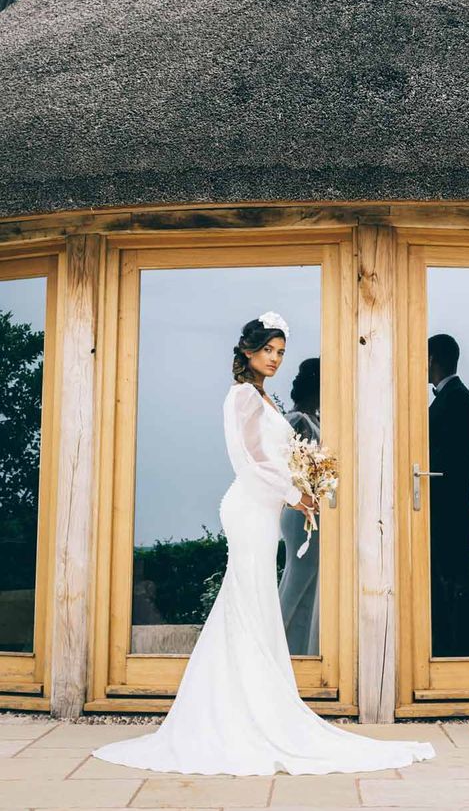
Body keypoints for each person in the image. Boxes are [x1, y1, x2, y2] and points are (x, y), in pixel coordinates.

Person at [93, 312, 434, 775]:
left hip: (262, 509)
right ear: (248, 351)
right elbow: (249, 460)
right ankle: (244, 711)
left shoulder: (262, 397)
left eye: (280, 352)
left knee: (249, 605)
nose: (273, 359)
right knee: (249, 602)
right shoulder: (241, 397)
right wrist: (297, 495)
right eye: (267, 350)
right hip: (249, 510)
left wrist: (303, 482)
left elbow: (275, 457)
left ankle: (248, 701)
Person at [427, 334, 469, 656]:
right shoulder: (452, 397)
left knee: (456, 579)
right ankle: (448, 647)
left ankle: (460, 651)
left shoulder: (457, 398)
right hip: (449, 507)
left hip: (450, 509)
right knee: (448, 578)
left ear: (432, 358)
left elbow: (449, 459)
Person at [279, 357, 321, 655]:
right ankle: (274, 648)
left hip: (314, 512)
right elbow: (294, 469)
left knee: (310, 582)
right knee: (298, 577)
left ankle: (300, 653)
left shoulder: (314, 420)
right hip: (299, 513)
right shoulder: (298, 422)